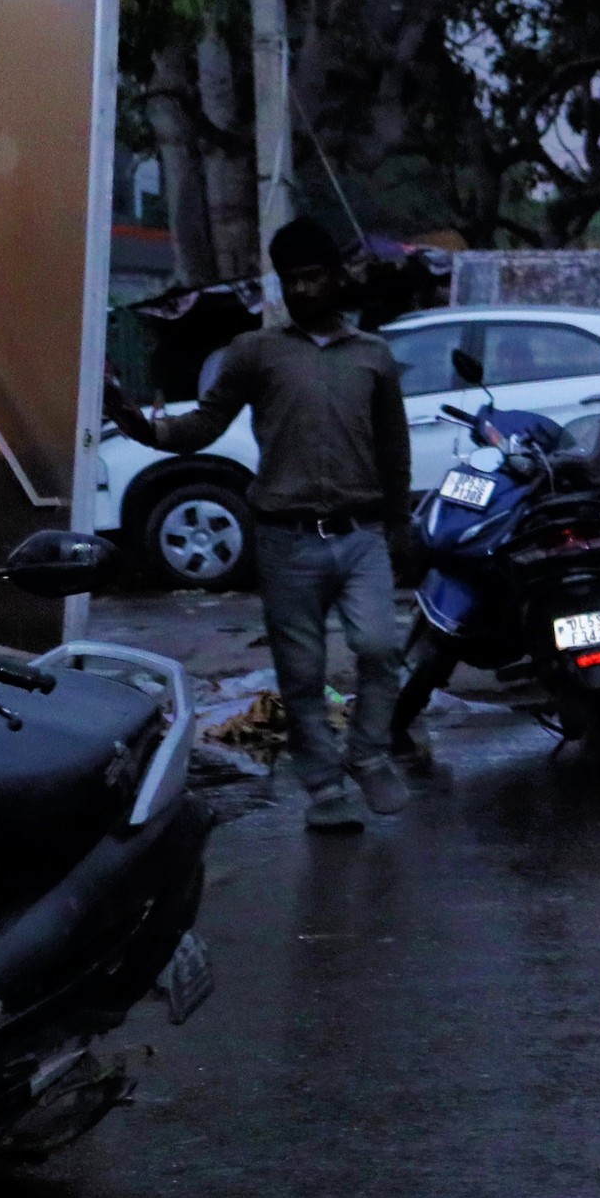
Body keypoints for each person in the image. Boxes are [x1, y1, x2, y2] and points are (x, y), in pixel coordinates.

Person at [106, 217, 410, 833]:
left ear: (337, 278)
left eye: (312, 277)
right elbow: (204, 425)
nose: (300, 290)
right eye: (289, 279)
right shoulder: (256, 352)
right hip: (285, 539)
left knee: (380, 647)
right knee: (301, 673)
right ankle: (325, 788)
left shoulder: (372, 356)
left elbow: (394, 452)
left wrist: (399, 532)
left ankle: (369, 754)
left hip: (359, 535)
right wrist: (143, 427)